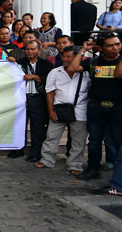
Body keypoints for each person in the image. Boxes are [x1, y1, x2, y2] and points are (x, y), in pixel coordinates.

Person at [68, 32, 122, 181]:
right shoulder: (94, 61)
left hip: (118, 107)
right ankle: (93, 169)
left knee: (118, 141)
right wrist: (83, 50)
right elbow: (72, 68)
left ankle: (118, 174)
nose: (115, 48)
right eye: (110, 45)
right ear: (101, 48)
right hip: (96, 107)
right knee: (94, 141)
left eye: (117, 44)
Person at [35, 46, 89, 174]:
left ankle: (75, 164)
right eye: (63, 56)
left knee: (78, 140)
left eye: (69, 56)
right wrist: (51, 111)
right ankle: (47, 159)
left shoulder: (86, 73)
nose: (65, 59)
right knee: (51, 136)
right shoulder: (55, 72)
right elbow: (50, 93)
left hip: (80, 110)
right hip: (59, 109)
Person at [10, 40, 53, 161]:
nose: (29, 51)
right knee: (19, 126)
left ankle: (35, 153)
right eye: (27, 49)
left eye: (33, 49)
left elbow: (49, 80)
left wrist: (34, 77)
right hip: (21, 99)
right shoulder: (18, 63)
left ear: (39, 50)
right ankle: (18, 150)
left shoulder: (46, 64)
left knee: (37, 128)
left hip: (38, 99)